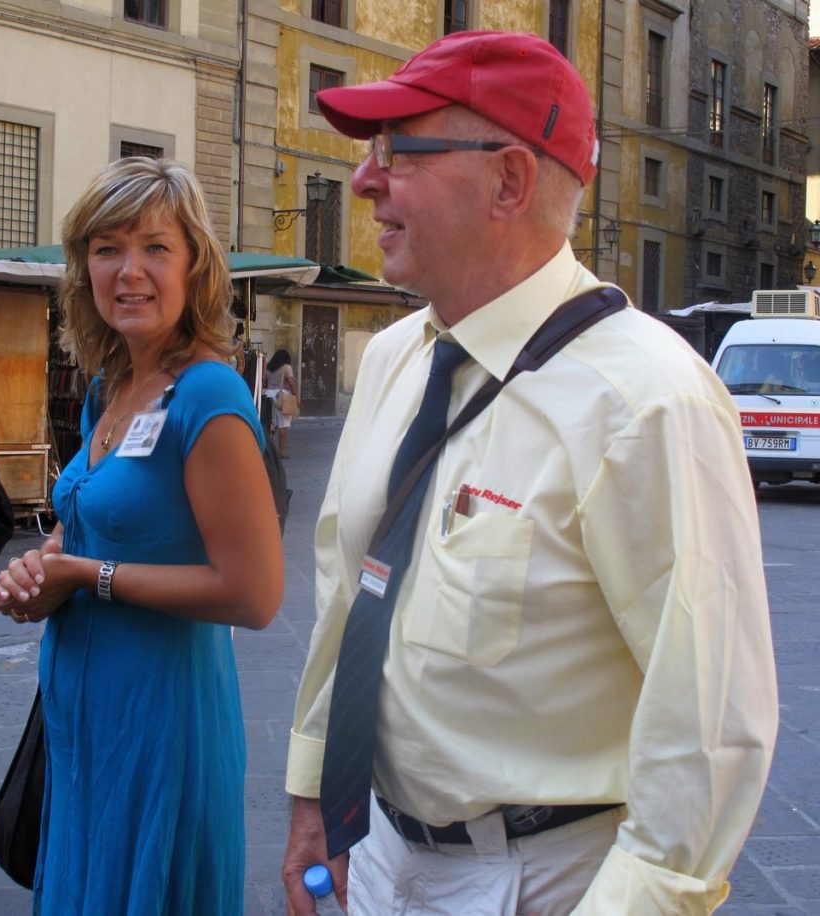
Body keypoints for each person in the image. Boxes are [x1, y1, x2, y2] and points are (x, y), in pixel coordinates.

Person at [281, 30, 778, 916]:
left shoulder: (650, 401)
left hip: (539, 882)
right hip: (377, 851)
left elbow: (709, 733)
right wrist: (315, 796)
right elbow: (347, 590)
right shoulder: (397, 357)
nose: (364, 180)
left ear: (509, 180)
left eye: (398, 150)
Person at [0, 157, 284, 915]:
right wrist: (39, 573)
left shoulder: (208, 394)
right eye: (107, 247)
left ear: (195, 266)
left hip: (162, 723)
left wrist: (88, 575)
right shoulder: (109, 390)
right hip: (82, 722)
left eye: (155, 247)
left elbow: (255, 595)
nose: (130, 270)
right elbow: (91, 529)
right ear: (83, 264)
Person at [264, 348, 299, 457]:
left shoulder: (269, 367)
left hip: (268, 395)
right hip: (282, 397)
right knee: (283, 425)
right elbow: (291, 382)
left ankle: (267, 450)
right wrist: (296, 396)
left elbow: (264, 381)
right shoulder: (286, 367)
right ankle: (281, 452)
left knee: (269, 424)